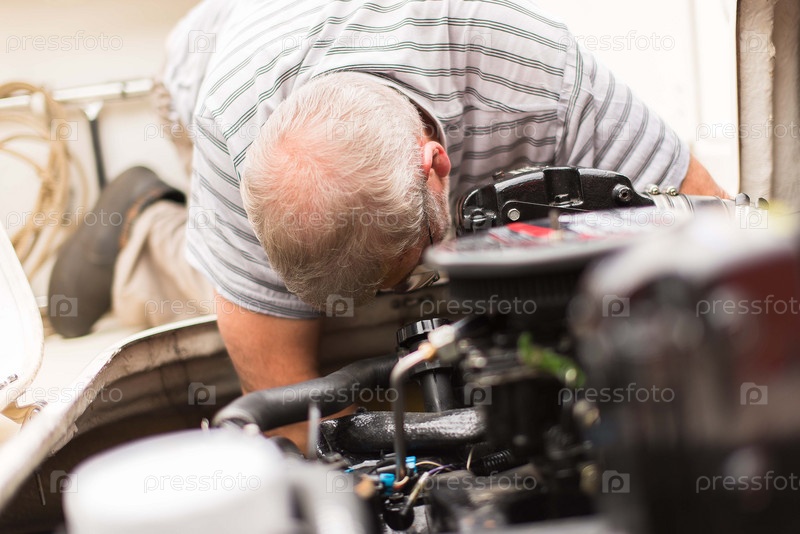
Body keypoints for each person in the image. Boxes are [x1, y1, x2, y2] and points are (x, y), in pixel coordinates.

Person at [49, 0, 726, 445]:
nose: (392, 295)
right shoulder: (233, 135)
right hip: (201, 59)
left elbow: (714, 220)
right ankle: (148, 226)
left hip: (411, 72)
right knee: (233, 293)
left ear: (437, 163)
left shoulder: (532, 68)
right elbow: (284, 400)